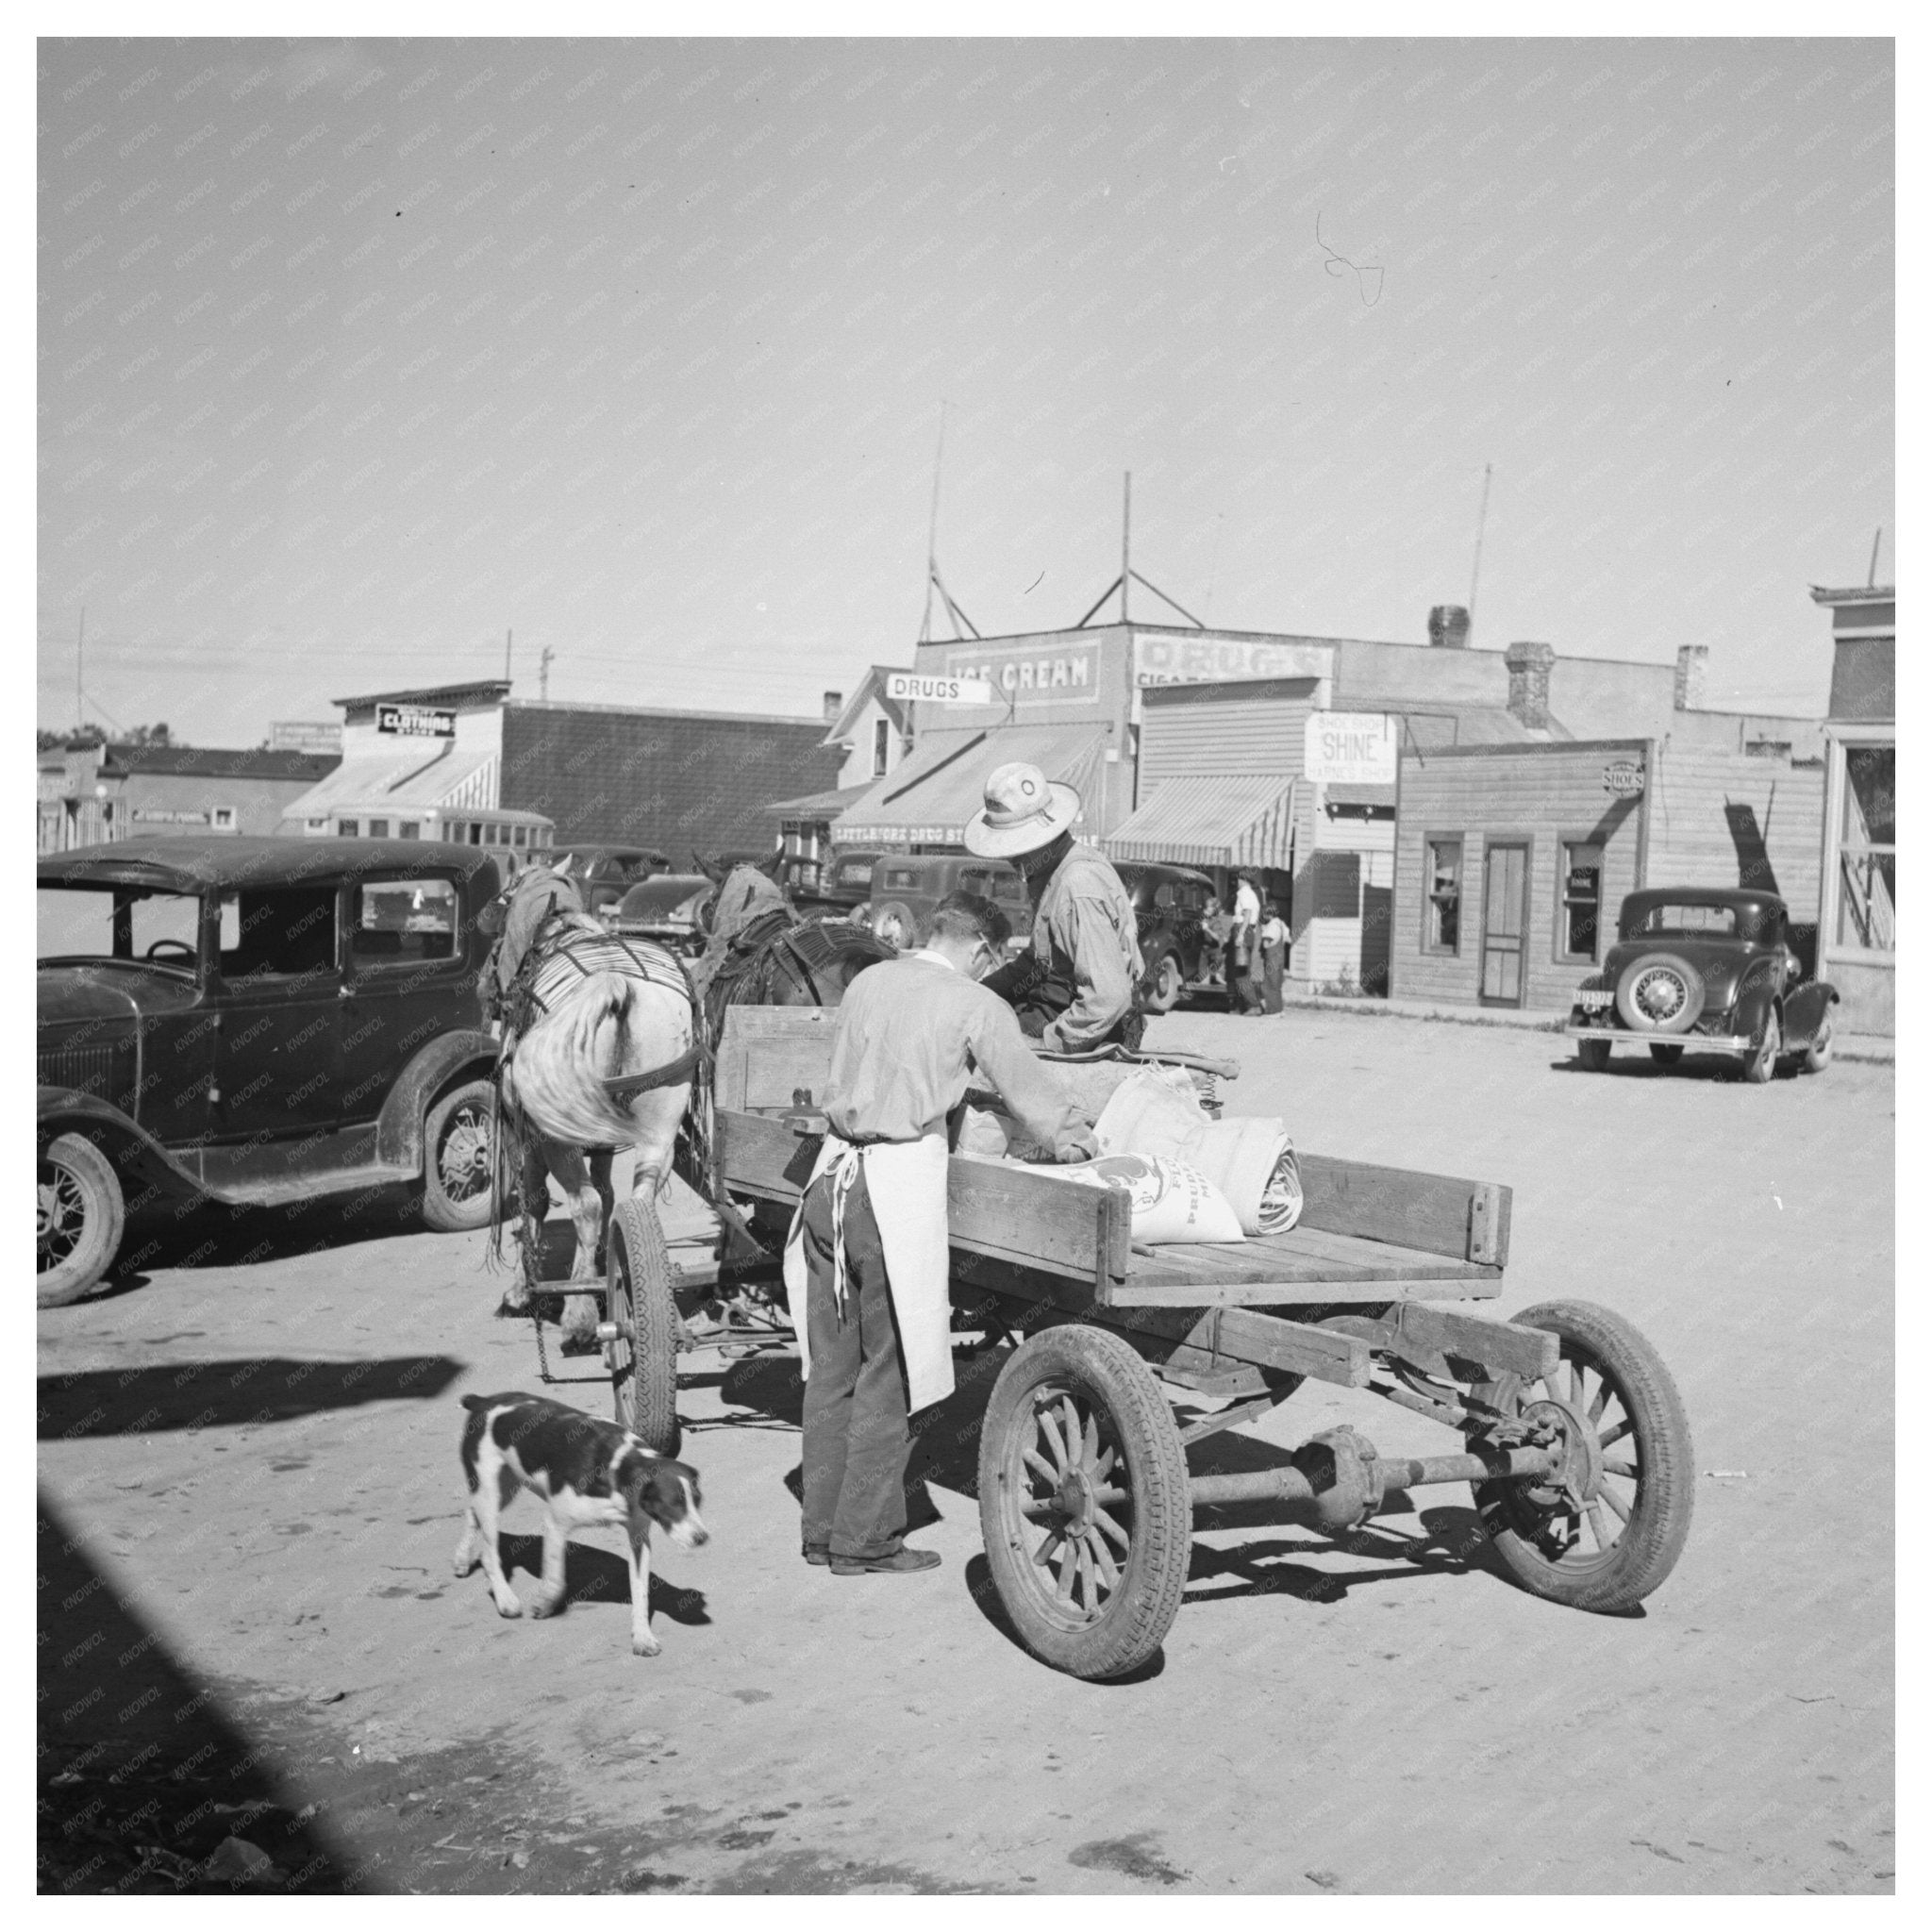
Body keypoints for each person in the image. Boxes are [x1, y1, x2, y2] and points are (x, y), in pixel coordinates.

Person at [781, 891, 1097, 1575]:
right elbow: (1028, 1093)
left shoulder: (868, 979)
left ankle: (820, 1529)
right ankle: (864, 1542)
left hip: (831, 1180)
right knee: (885, 1373)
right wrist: (1077, 1142)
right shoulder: (976, 1003)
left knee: (832, 1367)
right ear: (983, 949)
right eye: (995, 959)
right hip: (892, 1192)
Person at [964, 760, 1145, 1052]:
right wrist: (977, 993)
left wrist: (1042, 1044)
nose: (1009, 857)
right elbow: (1036, 962)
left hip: (1090, 1027)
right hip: (1057, 1006)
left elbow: (1107, 999)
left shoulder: (1077, 884)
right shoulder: (1049, 871)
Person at [1227, 871, 1264, 1015]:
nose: (1237, 882)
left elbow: (1247, 913)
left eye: (1238, 879)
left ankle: (1253, 1005)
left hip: (1243, 929)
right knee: (1244, 970)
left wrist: (1241, 933)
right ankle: (1244, 1005)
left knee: (1240, 972)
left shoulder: (1243, 893)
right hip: (1250, 930)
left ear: (1243, 880)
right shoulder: (1252, 894)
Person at [1257, 903, 1290, 1013]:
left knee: (1269, 985)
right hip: (1281, 957)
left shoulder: (1271, 926)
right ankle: (1279, 1009)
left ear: (1267, 914)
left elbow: (1266, 944)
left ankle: (1273, 1011)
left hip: (1272, 958)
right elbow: (1288, 938)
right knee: (1277, 985)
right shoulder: (1281, 924)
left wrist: (1263, 932)